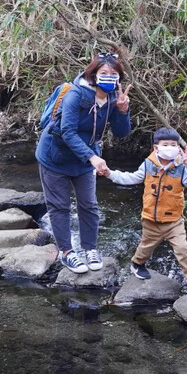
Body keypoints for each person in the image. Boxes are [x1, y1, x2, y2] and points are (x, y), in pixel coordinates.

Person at [35, 52, 132, 274]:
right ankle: (67, 253)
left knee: (89, 205)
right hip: (55, 157)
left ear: (119, 78)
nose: (109, 77)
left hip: (85, 159)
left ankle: (90, 249)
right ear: (93, 75)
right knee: (59, 206)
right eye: (104, 73)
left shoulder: (112, 98)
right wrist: (93, 157)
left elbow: (121, 132)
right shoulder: (76, 95)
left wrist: (123, 111)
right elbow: (67, 131)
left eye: (114, 74)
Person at [102, 127, 187, 300]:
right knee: (146, 246)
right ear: (156, 147)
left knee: (183, 250)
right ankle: (136, 264)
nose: (171, 147)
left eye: (174, 144)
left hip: (174, 221)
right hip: (151, 219)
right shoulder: (149, 164)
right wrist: (110, 174)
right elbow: (132, 178)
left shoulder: (182, 166)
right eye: (166, 144)